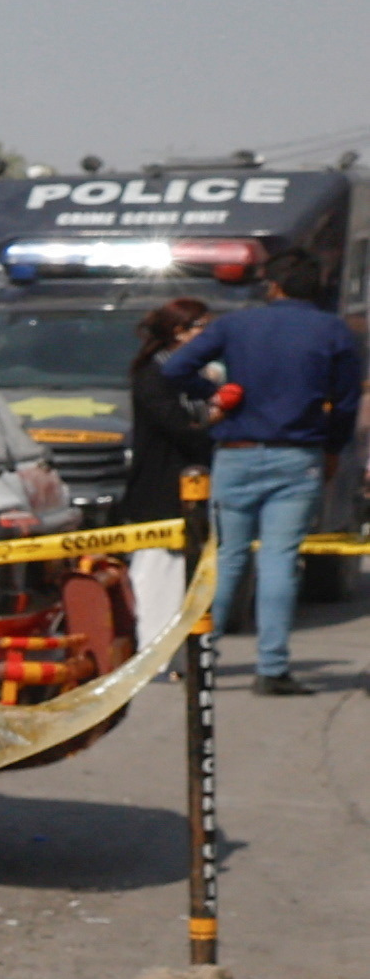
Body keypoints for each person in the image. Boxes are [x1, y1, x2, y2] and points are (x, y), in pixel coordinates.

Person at [153, 258, 363, 692]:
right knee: (280, 562)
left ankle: (198, 659)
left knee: (226, 558)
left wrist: (216, 393)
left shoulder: (236, 326)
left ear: (273, 287)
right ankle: (271, 668)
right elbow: (345, 404)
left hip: (237, 452)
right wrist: (332, 451)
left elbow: (174, 369)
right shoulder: (334, 331)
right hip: (297, 455)